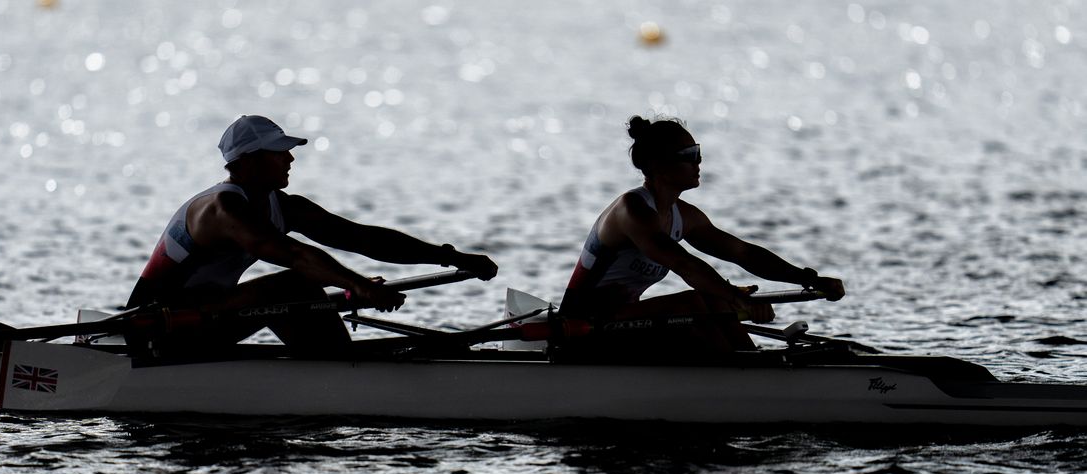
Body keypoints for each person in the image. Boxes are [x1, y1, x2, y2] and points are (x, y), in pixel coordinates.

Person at [125, 114, 497, 355]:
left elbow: (364, 239)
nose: (290, 159)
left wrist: (452, 257)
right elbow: (293, 255)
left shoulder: (281, 205)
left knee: (296, 285)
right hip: (157, 329)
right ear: (249, 161)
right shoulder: (221, 210)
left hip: (207, 317)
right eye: (280, 152)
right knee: (291, 285)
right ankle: (343, 373)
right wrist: (359, 286)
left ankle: (338, 367)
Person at [559, 116, 845, 352]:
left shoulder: (685, 216)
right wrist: (736, 298)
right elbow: (684, 264)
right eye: (689, 155)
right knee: (693, 303)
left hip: (626, 323)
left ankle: (750, 362)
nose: (698, 162)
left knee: (714, 301)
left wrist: (809, 279)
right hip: (582, 327)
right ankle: (747, 375)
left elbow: (743, 253)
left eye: (698, 152)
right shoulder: (631, 210)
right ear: (658, 166)